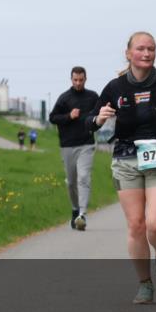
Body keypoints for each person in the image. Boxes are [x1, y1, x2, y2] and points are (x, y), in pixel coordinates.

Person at [87, 31, 156, 304]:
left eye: (151, 49)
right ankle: (144, 284)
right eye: (141, 49)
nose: (147, 54)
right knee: (136, 225)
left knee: (155, 225)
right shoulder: (115, 87)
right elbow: (91, 119)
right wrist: (99, 117)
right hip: (126, 159)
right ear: (128, 53)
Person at [49, 66, 100, 230]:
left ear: (85, 79)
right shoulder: (64, 98)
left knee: (83, 177)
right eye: (75, 80)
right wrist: (68, 116)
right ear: (71, 80)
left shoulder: (93, 97)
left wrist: (98, 121)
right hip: (68, 145)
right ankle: (75, 209)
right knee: (71, 182)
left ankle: (82, 215)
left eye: (81, 80)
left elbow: (99, 116)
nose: (78, 83)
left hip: (87, 144)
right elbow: (52, 118)